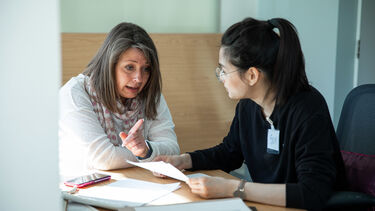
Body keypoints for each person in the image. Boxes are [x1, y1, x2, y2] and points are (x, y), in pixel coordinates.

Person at [153, 17, 346, 210]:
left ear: (252, 75)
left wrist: (235, 188)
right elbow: (230, 152)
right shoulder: (248, 106)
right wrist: (182, 160)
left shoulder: (307, 109)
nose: (220, 78)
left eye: (224, 70)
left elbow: (311, 193)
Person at [59, 22, 180, 179]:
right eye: (130, 67)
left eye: (146, 69)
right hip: (78, 190)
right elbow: (104, 159)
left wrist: (146, 150)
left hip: (137, 183)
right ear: (110, 65)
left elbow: (172, 149)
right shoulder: (74, 93)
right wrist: (146, 154)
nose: (139, 79)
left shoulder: (150, 94)